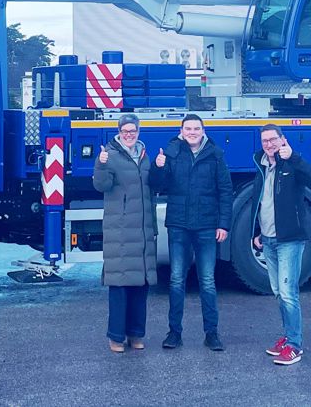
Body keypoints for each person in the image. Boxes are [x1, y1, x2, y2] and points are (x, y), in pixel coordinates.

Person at [150, 113, 232, 351]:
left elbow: (225, 191)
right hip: (179, 226)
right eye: (188, 128)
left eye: (197, 128)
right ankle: (174, 333)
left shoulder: (215, 155)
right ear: (181, 130)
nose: (193, 132)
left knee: (207, 281)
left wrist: (223, 224)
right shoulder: (172, 152)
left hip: (207, 226)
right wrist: (158, 167)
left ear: (203, 131)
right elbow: (158, 185)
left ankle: (212, 334)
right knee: (176, 280)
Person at [250, 124, 311, 365]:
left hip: (289, 240)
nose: (269, 144)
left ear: (283, 140)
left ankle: (294, 346)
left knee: (289, 294)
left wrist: (296, 158)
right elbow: (260, 203)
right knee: (279, 293)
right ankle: (288, 336)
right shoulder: (261, 166)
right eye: (265, 141)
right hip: (268, 239)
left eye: (273, 139)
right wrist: (256, 233)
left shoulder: (291, 165)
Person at [92, 114, 158, 353]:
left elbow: (153, 187)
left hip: (142, 231)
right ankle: (116, 336)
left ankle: (136, 334)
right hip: (120, 231)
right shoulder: (110, 154)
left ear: (138, 131)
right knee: (119, 286)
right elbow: (101, 185)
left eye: (134, 130)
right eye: (126, 131)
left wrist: (160, 167)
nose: (130, 134)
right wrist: (100, 164)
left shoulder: (144, 155)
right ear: (119, 131)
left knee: (141, 285)